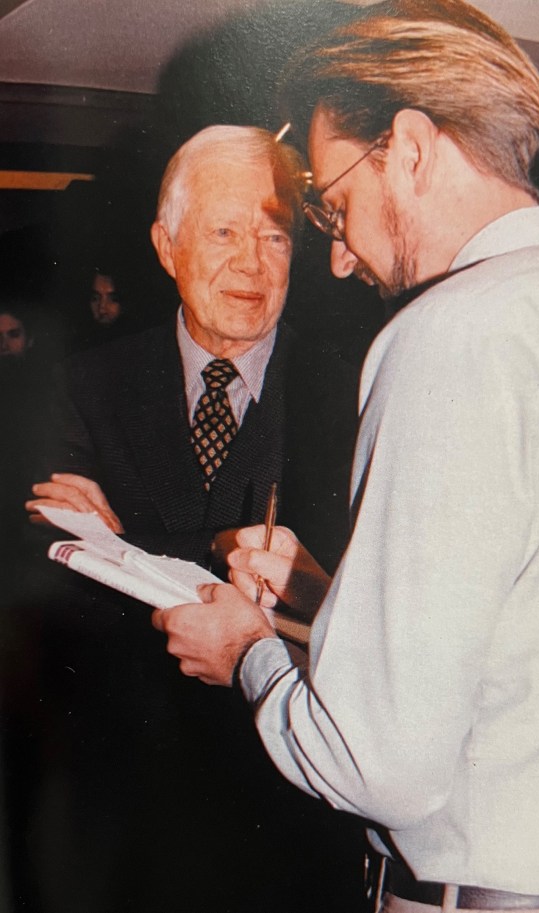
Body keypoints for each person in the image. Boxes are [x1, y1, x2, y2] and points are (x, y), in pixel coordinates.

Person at [153, 1, 539, 910]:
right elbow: (535, 648)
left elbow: (379, 766)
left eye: (332, 205)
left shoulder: (449, 333)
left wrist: (248, 648)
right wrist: (331, 602)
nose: (337, 259)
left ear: (408, 147)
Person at [21, 125, 364, 913]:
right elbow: (46, 573)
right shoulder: (85, 383)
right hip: (131, 813)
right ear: (166, 243)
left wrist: (128, 548)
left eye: (274, 234)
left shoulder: (353, 393)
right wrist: (213, 552)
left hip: (297, 818)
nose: (252, 260)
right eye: (223, 231)